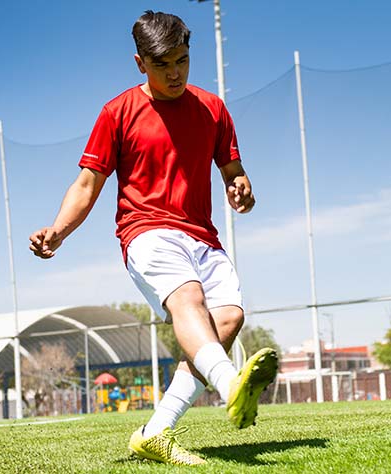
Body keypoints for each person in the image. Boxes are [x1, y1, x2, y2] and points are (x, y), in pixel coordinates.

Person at [29, 10, 278, 466]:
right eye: (162, 64)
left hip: (203, 234)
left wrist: (241, 188)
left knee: (227, 320)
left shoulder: (213, 108)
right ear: (140, 63)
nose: (175, 72)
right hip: (145, 231)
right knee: (189, 300)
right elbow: (87, 185)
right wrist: (58, 231)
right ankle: (230, 387)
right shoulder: (117, 112)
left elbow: (233, 170)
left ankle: (156, 431)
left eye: (182, 60)